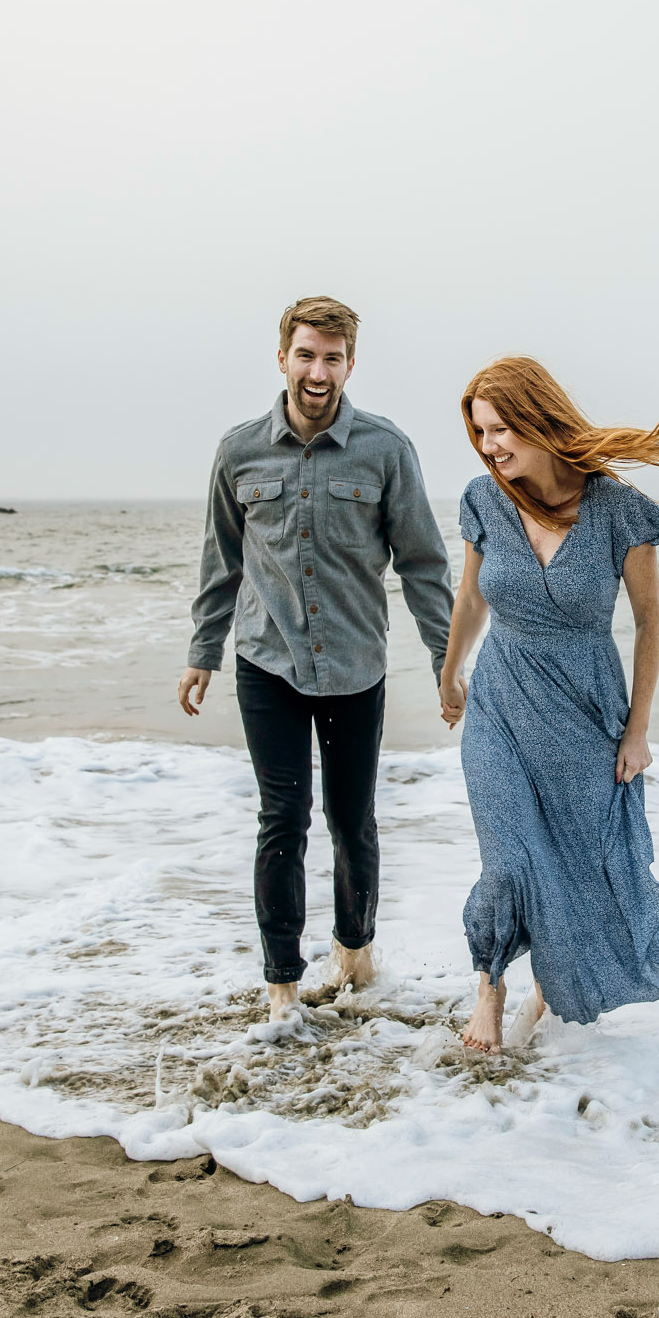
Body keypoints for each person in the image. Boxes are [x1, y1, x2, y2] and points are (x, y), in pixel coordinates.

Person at [179, 297, 455, 1023]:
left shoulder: (386, 450)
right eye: (306, 354)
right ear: (282, 358)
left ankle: (355, 952)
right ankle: (280, 986)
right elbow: (221, 559)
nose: (318, 370)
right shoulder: (240, 450)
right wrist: (202, 651)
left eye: (332, 358)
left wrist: (444, 661)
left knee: (351, 818)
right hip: (265, 662)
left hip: (356, 664)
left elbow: (424, 564)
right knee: (282, 816)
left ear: (350, 364)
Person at [436, 356, 659, 1051]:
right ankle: (488, 992)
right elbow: (469, 598)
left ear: (539, 420)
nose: (490, 446)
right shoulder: (482, 500)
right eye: (480, 432)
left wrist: (637, 732)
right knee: (508, 859)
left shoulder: (617, 509)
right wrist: (450, 672)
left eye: (501, 429)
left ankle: (547, 995)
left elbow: (650, 623)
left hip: (584, 711)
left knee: (577, 860)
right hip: (500, 702)